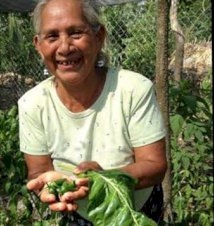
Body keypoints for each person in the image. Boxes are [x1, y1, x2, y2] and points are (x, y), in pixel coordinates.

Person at [18, 0, 168, 224]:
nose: (65, 47)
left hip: (136, 209)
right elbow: (38, 173)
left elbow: (155, 166)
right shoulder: (32, 104)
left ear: (99, 37)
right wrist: (50, 188)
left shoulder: (133, 89)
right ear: (38, 46)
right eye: (52, 36)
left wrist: (106, 178)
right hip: (76, 210)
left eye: (76, 32)